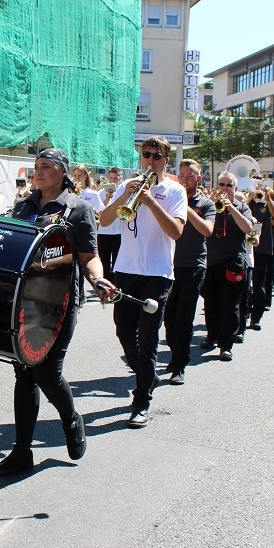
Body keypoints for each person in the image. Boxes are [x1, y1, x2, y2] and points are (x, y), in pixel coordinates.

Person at [0, 148, 116, 474]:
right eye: (36, 167)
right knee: (24, 373)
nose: (39, 171)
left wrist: (98, 278)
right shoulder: (23, 206)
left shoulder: (79, 210)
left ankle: (71, 418)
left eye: (46, 166)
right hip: (25, 301)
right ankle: (22, 451)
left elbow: (89, 256)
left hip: (60, 303)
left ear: (63, 172)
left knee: (47, 372)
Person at [100, 137, 185, 424]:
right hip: (126, 270)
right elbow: (104, 220)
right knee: (123, 332)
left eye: (156, 156)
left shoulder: (175, 191)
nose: (150, 160)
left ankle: (141, 401)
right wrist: (126, 196)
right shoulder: (127, 186)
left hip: (158, 273)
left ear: (165, 160)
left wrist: (150, 201)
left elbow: (176, 231)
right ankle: (146, 375)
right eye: (146, 155)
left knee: (148, 340)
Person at [162, 159, 214, 385]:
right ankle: (176, 353)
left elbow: (207, 230)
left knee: (184, 317)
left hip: (193, 265)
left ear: (198, 178)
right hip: (167, 265)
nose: (184, 179)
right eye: (181, 175)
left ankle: (179, 363)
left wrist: (187, 209)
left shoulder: (207, 204)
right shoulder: (171, 197)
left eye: (189, 175)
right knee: (168, 318)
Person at [200, 171, 254, 363]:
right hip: (211, 261)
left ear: (235, 188)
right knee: (211, 303)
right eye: (221, 184)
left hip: (233, 261)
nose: (224, 188)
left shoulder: (242, 207)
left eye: (228, 185)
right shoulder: (210, 206)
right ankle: (212, 335)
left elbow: (248, 229)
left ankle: (226, 345)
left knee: (230, 306)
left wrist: (231, 208)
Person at [247, 185, 274, 331]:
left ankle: (256, 317)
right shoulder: (250, 204)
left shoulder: (272, 206)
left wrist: (268, 200)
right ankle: (245, 313)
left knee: (259, 284)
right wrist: (250, 196)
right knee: (243, 286)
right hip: (248, 248)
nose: (259, 194)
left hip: (263, 249)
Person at [97, 167, 124, 282]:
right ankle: (106, 283)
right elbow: (98, 212)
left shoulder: (123, 191)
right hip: (104, 231)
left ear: (120, 177)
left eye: (116, 178)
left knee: (118, 260)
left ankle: (116, 283)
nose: (113, 180)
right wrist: (107, 199)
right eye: (111, 178)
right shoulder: (101, 192)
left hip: (118, 231)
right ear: (108, 177)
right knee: (104, 260)